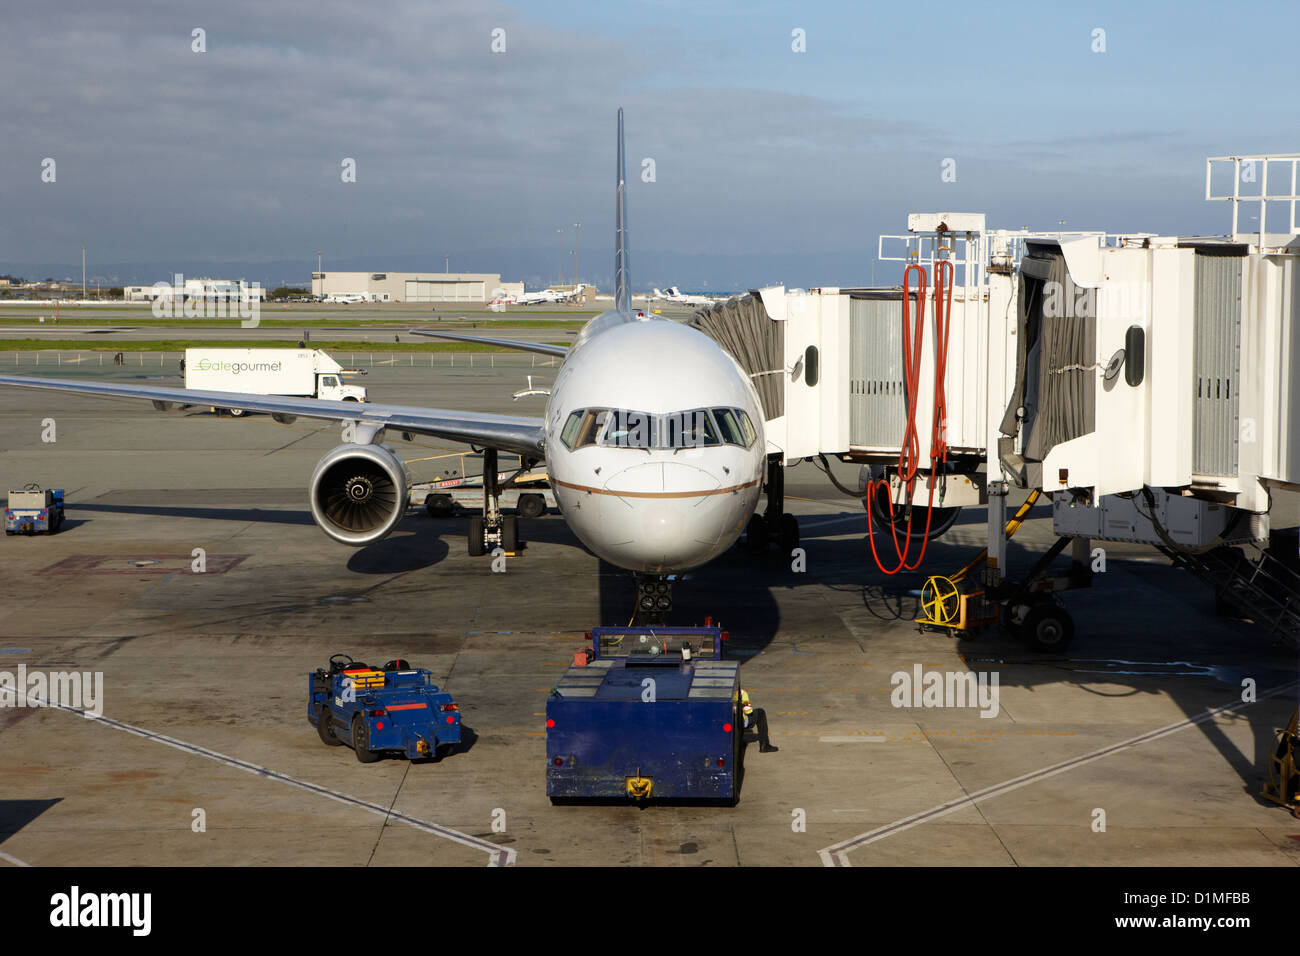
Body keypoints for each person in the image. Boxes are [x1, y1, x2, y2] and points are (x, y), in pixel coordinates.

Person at [739, 688, 777, 753]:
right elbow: (748, 711)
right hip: (740, 722)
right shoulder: (741, 692)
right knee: (760, 713)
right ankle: (764, 745)